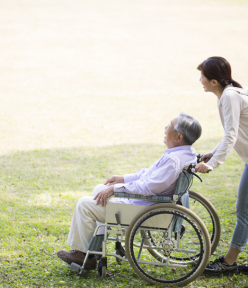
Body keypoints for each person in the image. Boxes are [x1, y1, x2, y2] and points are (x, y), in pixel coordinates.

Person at [57, 113, 202, 270]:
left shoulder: (173, 160)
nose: (165, 128)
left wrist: (116, 189)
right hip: (151, 205)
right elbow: (148, 175)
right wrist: (123, 179)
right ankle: (93, 251)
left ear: (178, 137)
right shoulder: (186, 154)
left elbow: (149, 187)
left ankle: (83, 254)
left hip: (143, 210)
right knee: (100, 190)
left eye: (169, 125)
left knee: (84, 204)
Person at [195, 56, 248, 276]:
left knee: (244, 212)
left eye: (203, 76)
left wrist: (214, 163)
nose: (200, 80)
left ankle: (228, 263)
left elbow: (231, 135)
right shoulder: (229, 94)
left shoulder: (229, 96)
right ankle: (229, 261)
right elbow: (231, 134)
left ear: (214, 81)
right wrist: (212, 153)